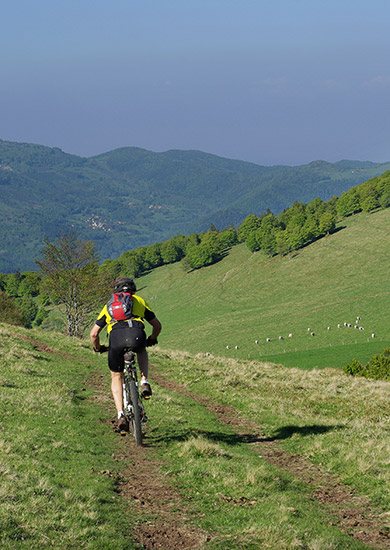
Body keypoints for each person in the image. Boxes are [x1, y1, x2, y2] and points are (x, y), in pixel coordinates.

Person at [90, 277, 162, 432]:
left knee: (116, 376)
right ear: (133, 291)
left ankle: (121, 415)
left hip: (116, 339)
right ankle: (144, 382)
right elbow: (157, 325)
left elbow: (94, 334)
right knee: (141, 349)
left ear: (116, 292)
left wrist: (98, 348)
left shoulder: (109, 305)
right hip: (137, 334)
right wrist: (152, 339)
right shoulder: (139, 301)